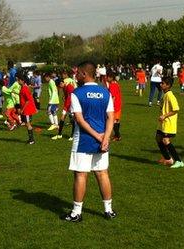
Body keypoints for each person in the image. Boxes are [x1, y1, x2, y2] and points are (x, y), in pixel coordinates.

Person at [61, 61, 116, 222]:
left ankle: (76, 213)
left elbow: (79, 119)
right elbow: (111, 117)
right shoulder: (105, 92)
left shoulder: (77, 93)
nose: (75, 75)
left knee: (80, 175)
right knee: (102, 173)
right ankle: (109, 210)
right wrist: (105, 137)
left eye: (77, 73)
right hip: (102, 141)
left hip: (84, 141)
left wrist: (98, 137)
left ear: (84, 74)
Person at [156, 77, 184, 168]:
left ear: (168, 85)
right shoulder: (165, 94)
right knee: (158, 138)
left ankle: (179, 161)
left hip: (169, 123)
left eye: (162, 83)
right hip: (163, 122)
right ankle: (168, 159)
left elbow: (176, 109)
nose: (161, 84)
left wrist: (164, 116)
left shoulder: (170, 95)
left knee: (165, 140)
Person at [52, 71, 76, 140]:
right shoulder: (64, 87)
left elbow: (69, 98)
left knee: (73, 120)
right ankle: (59, 134)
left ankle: (72, 135)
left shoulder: (69, 87)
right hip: (68, 104)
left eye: (59, 86)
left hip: (72, 105)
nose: (59, 88)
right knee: (62, 118)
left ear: (61, 83)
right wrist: (64, 97)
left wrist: (65, 108)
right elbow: (66, 97)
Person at [18, 73, 37, 144]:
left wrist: (22, 109)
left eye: (19, 80)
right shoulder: (23, 88)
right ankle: (31, 139)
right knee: (26, 123)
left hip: (27, 110)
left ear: (22, 81)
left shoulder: (25, 88)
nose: (18, 81)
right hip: (25, 109)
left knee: (28, 124)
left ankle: (31, 140)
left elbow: (28, 100)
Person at [106, 72, 122, 141]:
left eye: (108, 77)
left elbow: (113, 97)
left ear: (111, 78)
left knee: (113, 121)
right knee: (116, 120)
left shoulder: (112, 85)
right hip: (118, 104)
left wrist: (110, 106)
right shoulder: (116, 84)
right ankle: (116, 135)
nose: (106, 78)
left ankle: (118, 136)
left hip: (115, 105)